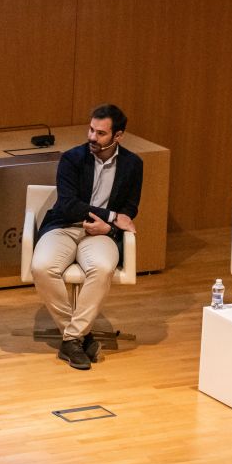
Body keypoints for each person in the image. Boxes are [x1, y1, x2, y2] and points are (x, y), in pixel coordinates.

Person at [30, 104, 142, 370]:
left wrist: (109, 228)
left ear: (118, 136)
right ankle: (80, 335)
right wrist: (112, 218)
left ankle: (71, 339)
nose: (92, 137)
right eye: (91, 129)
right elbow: (68, 204)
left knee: (102, 269)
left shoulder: (133, 165)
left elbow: (130, 209)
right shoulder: (72, 158)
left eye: (101, 133)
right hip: (65, 225)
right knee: (42, 267)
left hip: (100, 234)